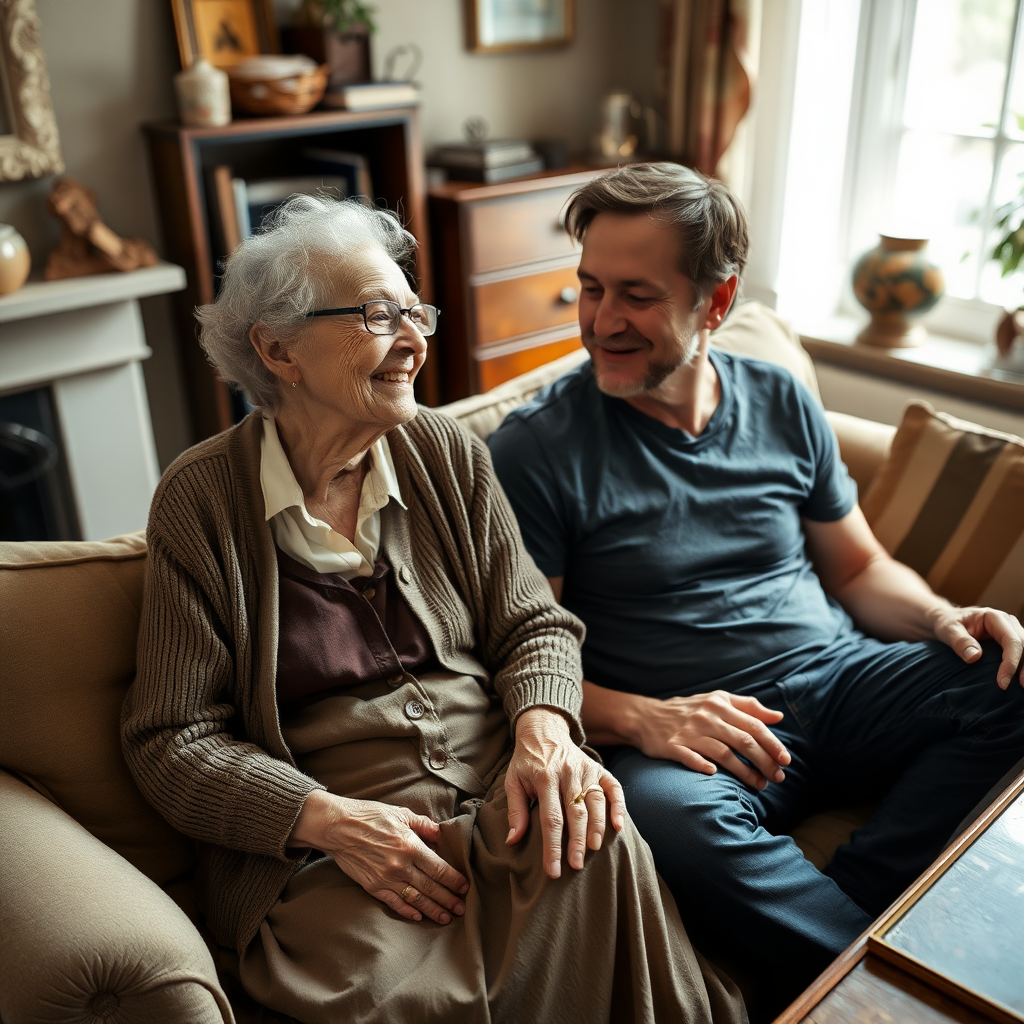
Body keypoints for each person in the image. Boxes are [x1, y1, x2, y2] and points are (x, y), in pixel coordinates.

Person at [121, 194, 746, 1024]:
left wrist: (545, 736)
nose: (415, 340)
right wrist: (328, 822)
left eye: (417, 311)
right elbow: (172, 740)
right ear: (278, 349)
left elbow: (535, 626)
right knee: (393, 996)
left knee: (594, 842)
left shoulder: (445, 451)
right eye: (381, 315)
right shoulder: (202, 500)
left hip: (503, 792)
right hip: (338, 846)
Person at [488, 162, 1024, 1020]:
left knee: (1007, 671)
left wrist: (943, 616)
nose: (602, 322)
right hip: (691, 731)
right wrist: (646, 719)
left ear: (718, 298)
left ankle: (858, 919)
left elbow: (856, 568)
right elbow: (518, 659)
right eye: (589, 289)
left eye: (636, 294)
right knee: (664, 823)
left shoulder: (779, 397)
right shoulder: (536, 449)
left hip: (842, 680)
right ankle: (874, 987)